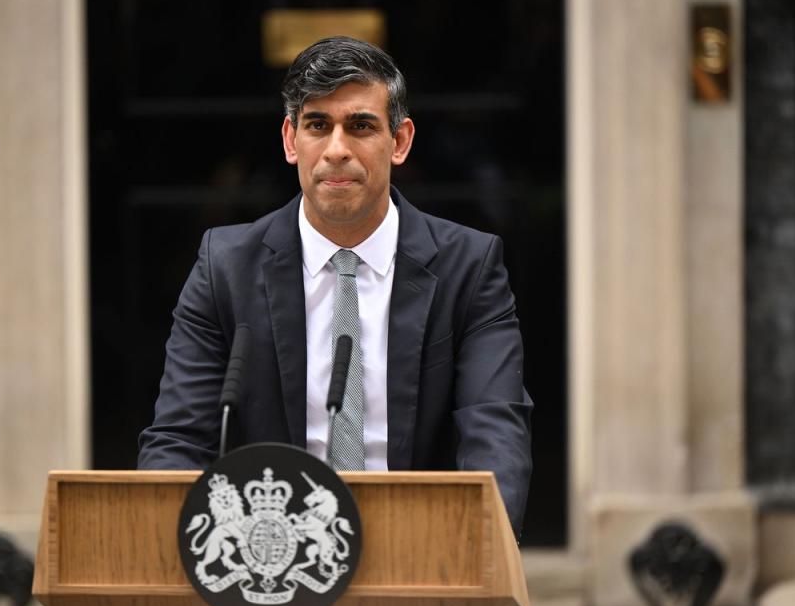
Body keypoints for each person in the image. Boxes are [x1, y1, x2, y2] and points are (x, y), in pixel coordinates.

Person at [137, 36, 533, 538]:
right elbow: (178, 440)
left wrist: (479, 555)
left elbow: (495, 433)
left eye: (361, 126)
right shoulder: (226, 268)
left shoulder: (470, 267)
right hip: (271, 568)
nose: (337, 149)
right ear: (289, 140)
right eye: (317, 126)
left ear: (401, 141)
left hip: (423, 556)